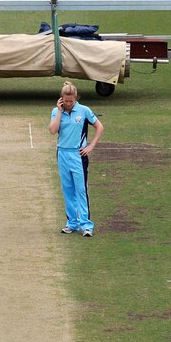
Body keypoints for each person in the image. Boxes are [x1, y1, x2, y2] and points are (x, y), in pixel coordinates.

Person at [48, 81, 104, 237]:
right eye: (65, 101)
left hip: (78, 155)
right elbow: (53, 130)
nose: (68, 104)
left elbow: (100, 127)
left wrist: (90, 146)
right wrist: (60, 111)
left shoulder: (84, 110)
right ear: (61, 99)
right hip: (62, 154)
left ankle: (86, 225)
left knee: (81, 190)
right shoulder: (56, 111)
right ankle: (72, 223)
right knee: (67, 190)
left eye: (71, 101)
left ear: (75, 98)